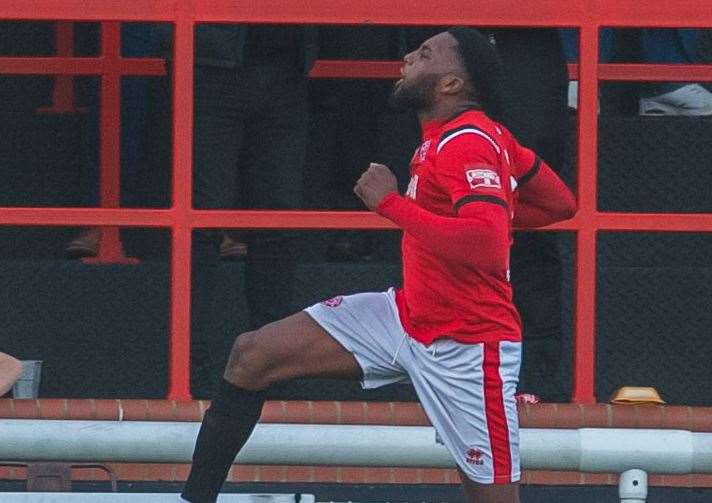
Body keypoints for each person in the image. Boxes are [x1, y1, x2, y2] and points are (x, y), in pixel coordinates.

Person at [180, 28, 576, 503]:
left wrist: (389, 203)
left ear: (451, 84)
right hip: (408, 317)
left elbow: (488, 246)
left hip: (469, 348)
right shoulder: (474, 137)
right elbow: (560, 203)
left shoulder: (465, 143)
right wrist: (494, 211)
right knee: (252, 354)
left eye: (425, 53)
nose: (408, 56)